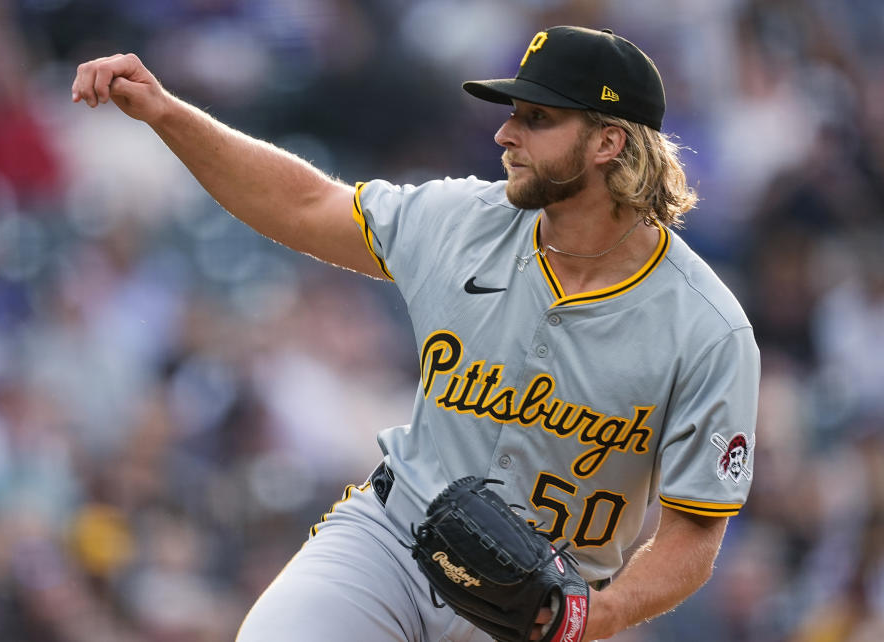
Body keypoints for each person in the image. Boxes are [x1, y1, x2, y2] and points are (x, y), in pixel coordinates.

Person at [72, 25, 760, 641]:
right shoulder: (461, 221)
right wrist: (167, 115)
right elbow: (306, 202)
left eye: (537, 118)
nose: (505, 134)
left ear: (609, 141)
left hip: (545, 605)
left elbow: (694, 535)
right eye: (513, 112)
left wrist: (599, 615)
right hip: (397, 540)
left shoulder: (705, 327)